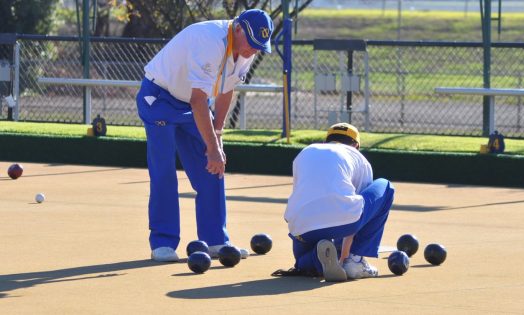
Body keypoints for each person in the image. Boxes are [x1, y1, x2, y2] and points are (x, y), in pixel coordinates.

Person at [136, 9, 274, 262]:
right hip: (159, 98)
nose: (253, 51)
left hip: (191, 105)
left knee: (214, 167)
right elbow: (199, 100)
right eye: (251, 44)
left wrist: (217, 138)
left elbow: (226, 91)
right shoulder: (210, 40)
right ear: (238, 29)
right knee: (164, 171)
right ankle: (162, 242)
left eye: (258, 47)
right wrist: (211, 147)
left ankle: (215, 241)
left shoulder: (246, 48)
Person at [282, 123, 395, 281]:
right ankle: (356, 261)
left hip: (300, 227)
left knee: (302, 263)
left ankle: (318, 257)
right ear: (356, 145)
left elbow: (301, 195)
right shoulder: (359, 159)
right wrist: (345, 257)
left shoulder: (305, 152)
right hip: (342, 222)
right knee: (386, 186)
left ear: (325, 141)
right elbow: (358, 210)